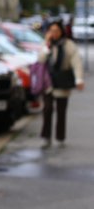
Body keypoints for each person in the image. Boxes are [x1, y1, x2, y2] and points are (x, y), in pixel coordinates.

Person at [39, 21, 85, 149]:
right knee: (47, 109)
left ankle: (60, 138)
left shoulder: (69, 45)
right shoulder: (46, 44)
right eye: (51, 31)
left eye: (56, 31)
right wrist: (47, 44)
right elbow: (41, 59)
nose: (54, 33)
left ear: (61, 31)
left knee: (61, 111)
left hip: (63, 81)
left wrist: (79, 79)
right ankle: (46, 137)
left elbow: (77, 63)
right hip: (48, 82)